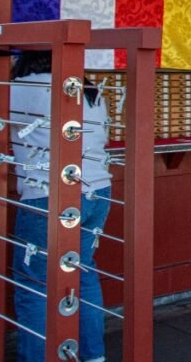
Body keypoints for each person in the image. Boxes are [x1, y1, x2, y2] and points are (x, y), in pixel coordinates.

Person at [10, 52, 112, 362]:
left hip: (47, 192)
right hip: (98, 190)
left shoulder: (18, 87)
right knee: (82, 274)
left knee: (34, 283)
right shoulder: (91, 90)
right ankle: (93, 356)